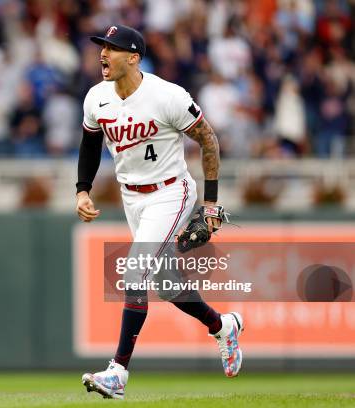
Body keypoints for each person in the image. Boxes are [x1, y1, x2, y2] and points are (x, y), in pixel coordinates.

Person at [76, 24, 243, 400]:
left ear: (133, 57)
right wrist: (82, 190)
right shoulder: (95, 98)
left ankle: (118, 372)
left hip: (171, 192)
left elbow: (208, 139)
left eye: (112, 48)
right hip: (131, 197)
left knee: (134, 269)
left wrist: (211, 203)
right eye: (102, 46)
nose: (103, 53)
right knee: (167, 284)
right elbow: (89, 145)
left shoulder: (166, 95)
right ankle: (223, 326)